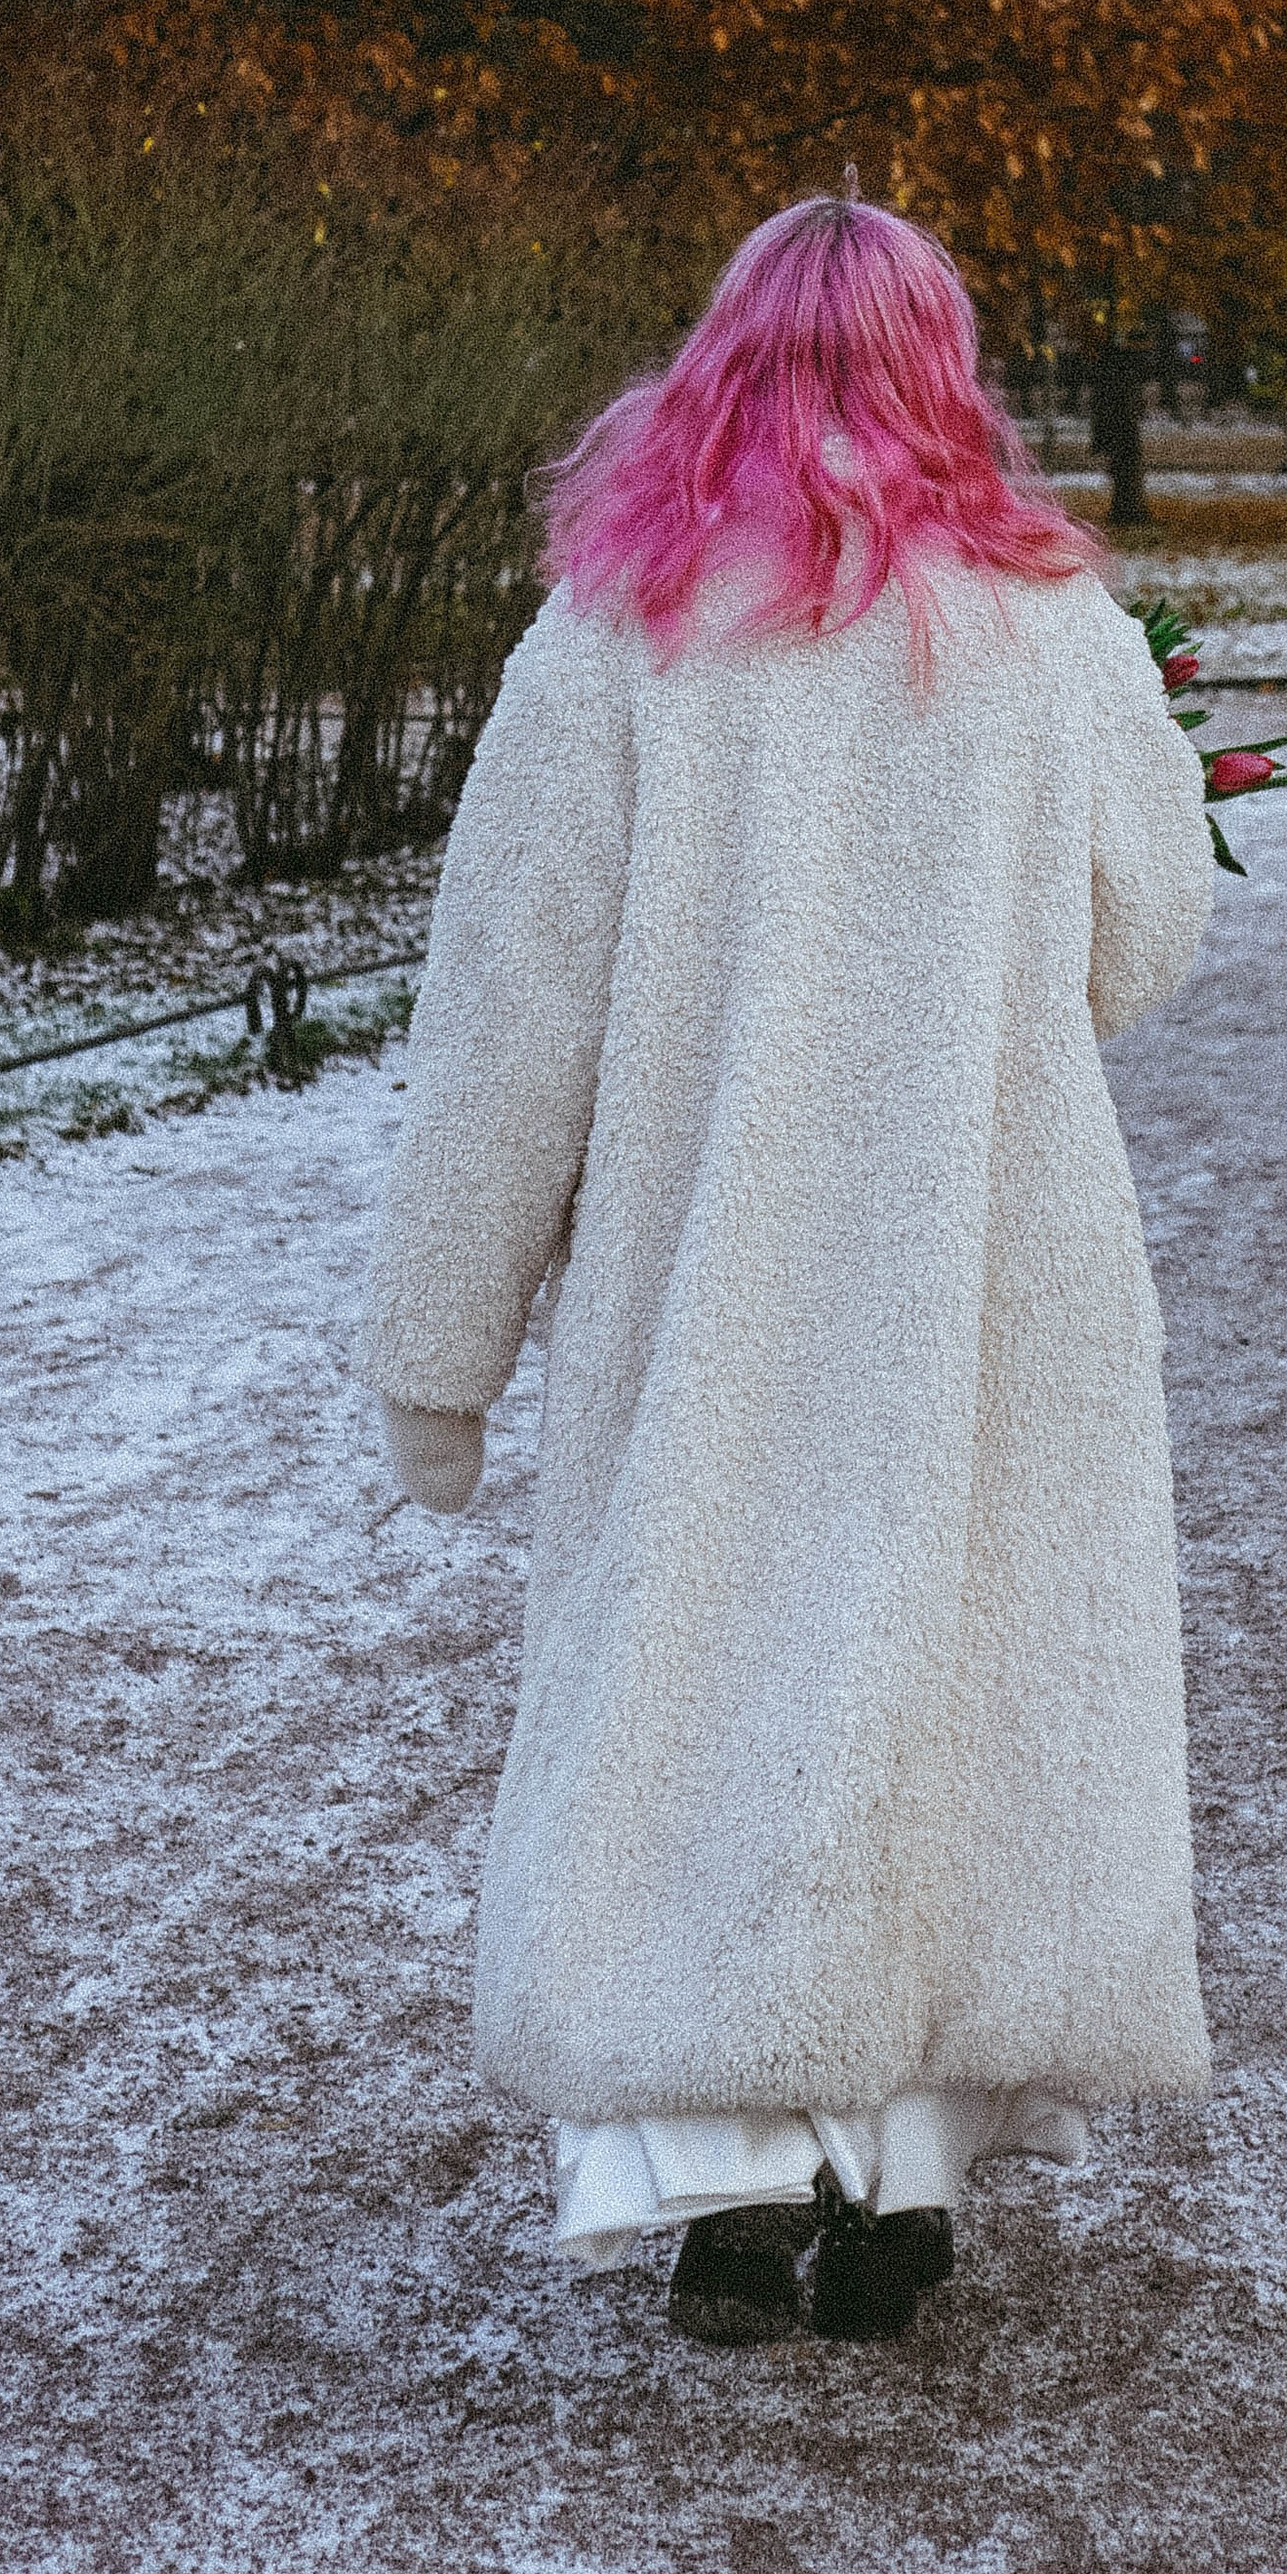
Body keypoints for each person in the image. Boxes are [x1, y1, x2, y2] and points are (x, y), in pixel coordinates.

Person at [356, 194, 1217, 2349]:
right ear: (950, 371)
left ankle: (724, 2188)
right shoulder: (1053, 628)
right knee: (952, 1690)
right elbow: (1142, 938)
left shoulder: (614, 638)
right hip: (986, 1272)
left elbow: (504, 1028)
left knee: (709, 1680)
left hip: (707, 1283)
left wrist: (437, 1354)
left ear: (712, 364)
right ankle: (902, 2188)